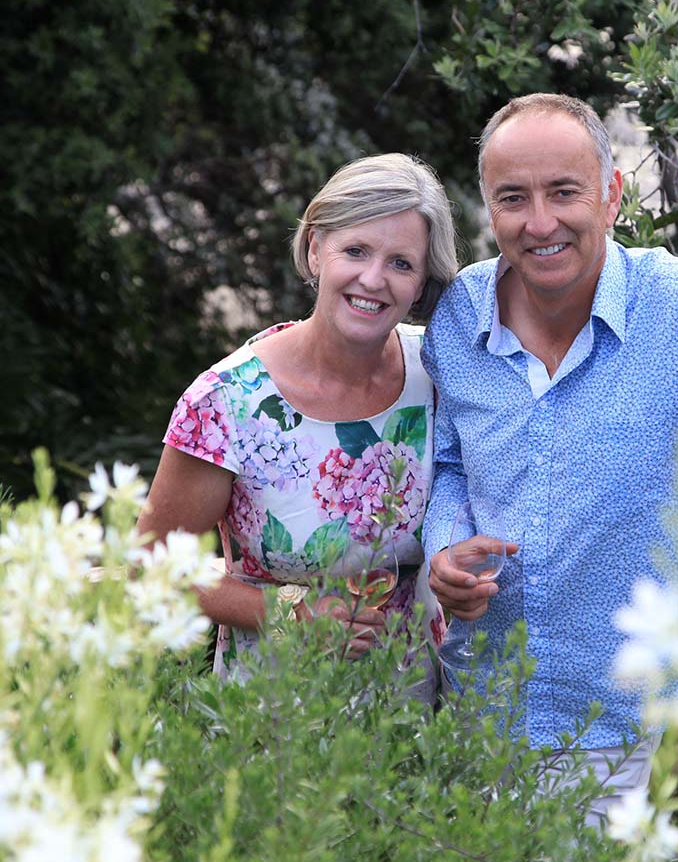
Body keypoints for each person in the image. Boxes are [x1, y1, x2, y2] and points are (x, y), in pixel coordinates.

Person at [421, 92, 678, 821]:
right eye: (512, 198)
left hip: (611, 713)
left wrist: (673, 512)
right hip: (469, 695)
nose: (539, 222)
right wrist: (444, 549)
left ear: (610, 196)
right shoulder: (458, 315)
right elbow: (449, 464)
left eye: (563, 192)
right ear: (487, 207)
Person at [137, 153, 459, 697]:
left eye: (401, 263)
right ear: (314, 249)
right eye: (355, 251)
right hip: (277, 732)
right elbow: (149, 568)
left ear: (422, 281)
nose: (374, 279)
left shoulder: (442, 375)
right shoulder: (226, 403)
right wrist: (288, 611)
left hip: (417, 727)